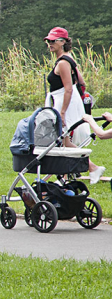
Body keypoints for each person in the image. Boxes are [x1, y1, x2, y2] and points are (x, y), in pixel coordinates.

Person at [43, 27, 105, 183]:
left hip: (65, 103)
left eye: (52, 41)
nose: (49, 43)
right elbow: (81, 82)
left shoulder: (63, 62)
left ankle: (93, 168)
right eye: (48, 41)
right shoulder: (69, 59)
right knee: (63, 140)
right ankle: (66, 175)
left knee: (62, 139)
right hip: (69, 101)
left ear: (62, 42)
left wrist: (62, 112)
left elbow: (68, 89)